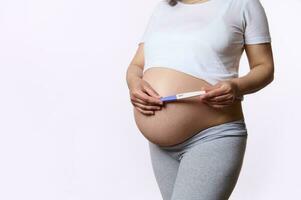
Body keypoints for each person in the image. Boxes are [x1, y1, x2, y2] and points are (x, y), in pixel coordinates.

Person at [126, 0, 274, 199]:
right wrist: (134, 83)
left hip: (212, 136)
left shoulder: (242, 4)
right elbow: (136, 65)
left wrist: (236, 86)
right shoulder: (163, 8)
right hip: (160, 147)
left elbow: (265, 67)